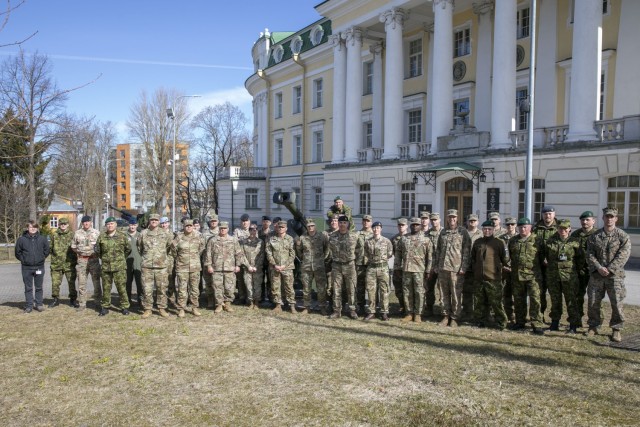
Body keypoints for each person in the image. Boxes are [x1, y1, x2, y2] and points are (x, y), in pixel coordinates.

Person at [586, 207, 631, 342]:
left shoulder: (622, 236)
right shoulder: (595, 236)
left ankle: (616, 329)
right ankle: (593, 326)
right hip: (597, 275)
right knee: (593, 302)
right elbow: (589, 254)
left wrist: (609, 269)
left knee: (617, 303)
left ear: (616, 219)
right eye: (607, 216)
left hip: (615, 276)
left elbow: (623, 255)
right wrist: (599, 268)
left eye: (612, 217)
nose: (609, 219)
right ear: (603, 218)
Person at [204, 221, 254, 313]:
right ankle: (218, 304)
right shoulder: (213, 240)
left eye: (225, 228)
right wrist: (209, 266)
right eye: (221, 228)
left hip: (230, 268)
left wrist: (237, 265)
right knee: (217, 287)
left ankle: (227, 304)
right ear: (219, 229)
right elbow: (208, 254)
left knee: (229, 287)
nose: (223, 230)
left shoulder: (233, 240)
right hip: (216, 268)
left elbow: (238, 253)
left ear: (228, 229)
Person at [507, 218, 545, 335]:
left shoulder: (537, 240)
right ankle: (520, 322)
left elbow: (542, 257)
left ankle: (536, 323)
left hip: (533, 276)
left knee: (535, 300)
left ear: (530, 227)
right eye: (521, 227)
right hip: (517, 275)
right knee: (519, 300)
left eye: (525, 227)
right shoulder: (513, 240)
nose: (523, 229)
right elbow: (510, 257)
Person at [434, 209, 471, 327]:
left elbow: (466, 251)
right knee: (443, 294)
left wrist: (463, 267)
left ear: (457, 218)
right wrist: (437, 265)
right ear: (447, 218)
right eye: (450, 217)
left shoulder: (463, 232)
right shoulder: (443, 232)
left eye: (454, 217)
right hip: (443, 268)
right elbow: (438, 250)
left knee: (456, 294)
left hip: (456, 269)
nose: (452, 219)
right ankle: (445, 316)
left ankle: (454, 317)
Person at [544, 219, 581, 333]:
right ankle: (555, 322)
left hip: (569, 276)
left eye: (565, 228)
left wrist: (575, 270)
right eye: (560, 228)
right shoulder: (550, 242)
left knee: (571, 300)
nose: (563, 230)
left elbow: (580, 259)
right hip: (553, 275)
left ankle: (573, 325)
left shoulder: (575, 242)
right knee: (555, 300)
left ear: (569, 229)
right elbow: (545, 256)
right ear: (557, 229)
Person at [470, 220, 508, 330]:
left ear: (493, 230)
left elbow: (505, 258)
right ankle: (480, 321)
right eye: (485, 229)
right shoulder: (478, 242)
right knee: (479, 301)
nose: (487, 231)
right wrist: (475, 269)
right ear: (482, 230)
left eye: (489, 229)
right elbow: (473, 258)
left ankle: (501, 322)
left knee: (496, 302)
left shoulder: (499, 242)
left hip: (493, 278)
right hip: (479, 277)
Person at [138, 214, 172, 318]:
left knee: (161, 288)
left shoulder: (165, 233)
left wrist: (160, 257)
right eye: (152, 220)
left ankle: (162, 308)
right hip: (147, 266)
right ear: (149, 221)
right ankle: (148, 309)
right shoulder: (143, 233)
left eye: (156, 220)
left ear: (158, 221)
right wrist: (148, 257)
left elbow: (169, 247)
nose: (154, 221)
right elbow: (140, 248)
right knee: (147, 289)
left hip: (161, 266)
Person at [398, 218, 433, 323]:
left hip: (419, 270)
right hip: (406, 269)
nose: (415, 226)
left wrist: (428, 270)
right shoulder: (404, 239)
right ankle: (409, 313)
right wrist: (397, 268)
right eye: (413, 225)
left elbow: (430, 257)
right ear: (410, 226)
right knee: (407, 292)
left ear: (420, 226)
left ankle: (418, 314)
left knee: (419, 292)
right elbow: (398, 255)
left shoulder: (426, 239)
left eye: (417, 225)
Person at [95, 217, 131, 316]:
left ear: (115, 225)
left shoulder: (122, 236)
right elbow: (98, 251)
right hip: (106, 267)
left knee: (121, 287)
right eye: (108, 224)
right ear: (106, 226)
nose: (110, 225)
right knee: (106, 288)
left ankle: (124, 307)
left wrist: (120, 259)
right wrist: (106, 259)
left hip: (119, 267)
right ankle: (105, 307)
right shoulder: (101, 237)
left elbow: (128, 250)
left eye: (112, 223)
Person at [328, 215, 360, 319]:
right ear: (338, 224)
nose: (342, 224)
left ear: (348, 224)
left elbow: (359, 249)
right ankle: (337, 311)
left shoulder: (354, 236)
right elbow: (328, 250)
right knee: (336, 289)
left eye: (344, 223)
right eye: (340, 222)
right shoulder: (332, 236)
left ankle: (352, 310)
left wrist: (354, 260)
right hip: (337, 265)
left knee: (351, 289)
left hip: (349, 265)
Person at [171, 219, 205, 317]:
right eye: (187, 226)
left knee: (194, 289)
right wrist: (180, 259)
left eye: (190, 226)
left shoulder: (198, 237)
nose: (189, 227)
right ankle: (181, 308)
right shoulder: (179, 237)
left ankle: (194, 307)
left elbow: (201, 249)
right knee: (182, 289)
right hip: (182, 267)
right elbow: (173, 250)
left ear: (193, 226)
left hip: (195, 267)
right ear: (184, 227)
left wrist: (194, 258)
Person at [295, 218, 329, 314]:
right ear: (306, 227)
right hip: (306, 266)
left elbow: (327, 248)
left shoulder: (321, 236)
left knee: (321, 288)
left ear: (315, 226)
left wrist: (323, 258)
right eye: (309, 226)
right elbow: (299, 251)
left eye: (312, 226)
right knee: (306, 288)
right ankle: (307, 307)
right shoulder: (302, 238)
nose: (310, 228)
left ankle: (322, 306)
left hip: (319, 266)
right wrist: (305, 259)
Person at [15, 220, 50, 313]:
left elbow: (47, 250)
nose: (33, 228)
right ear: (27, 228)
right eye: (31, 227)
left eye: (34, 227)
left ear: (37, 228)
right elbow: (17, 253)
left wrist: (42, 258)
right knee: (28, 288)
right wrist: (24, 260)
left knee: (39, 287)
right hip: (27, 268)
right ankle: (29, 305)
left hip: (39, 267)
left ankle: (39, 304)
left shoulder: (42, 239)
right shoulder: (21, 239)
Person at [571, 210, 598, 325]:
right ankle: (577, 320)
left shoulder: (598, 234)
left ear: (593, 221)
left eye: (587, 220)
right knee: (577, 296)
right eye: (582, 220)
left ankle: (595, 322)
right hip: (579, 271)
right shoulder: (575, 235)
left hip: (594, 271)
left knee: (595, 298)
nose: (585, 222)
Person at [71, 215, 101, 311]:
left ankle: (97, 302)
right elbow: (73, 246)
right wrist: (79, 253)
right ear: (82, 223)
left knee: (96, 282)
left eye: (88, 222)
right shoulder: (77, 233)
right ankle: (82, 304)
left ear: (91, 222)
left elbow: (101, 246)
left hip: (94, 260)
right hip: (82, 260)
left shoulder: (97, 233)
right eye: (84, 222)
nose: (86, 223)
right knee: (81, 283)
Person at [364, 221, 394, 321]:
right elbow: (366, 253)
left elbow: (390, 253)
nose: (376, 229)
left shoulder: (386, 241)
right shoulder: (368, 241)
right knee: (371, 291)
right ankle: (371, 312)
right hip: (372, 268)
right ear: (372, 229)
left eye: (378, 228)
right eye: (374, 228)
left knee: (384, 290)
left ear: (381, 229)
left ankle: (384, 312)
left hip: (383, 268)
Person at [533, 205, 558, 321]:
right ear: (542, 215)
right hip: (539, 266)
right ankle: (540, 315)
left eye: (550, 213)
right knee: (540, 292)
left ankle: (555, 319)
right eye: (545, 214)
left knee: (554, 293)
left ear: (554, 215)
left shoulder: (559, 227)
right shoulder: (536, 228)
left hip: (553, 267)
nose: (547, 216)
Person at [266, 220, 296, 313]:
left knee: (289, 286)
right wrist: (274, 264)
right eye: (279, 227)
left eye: (282, 227)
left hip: (287, 267)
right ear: (277, 228)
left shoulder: (290, 239)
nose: (281, 229)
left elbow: (292, 254)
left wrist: (284, 265)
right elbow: (268, 252)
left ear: (286, 228)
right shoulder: (271, 238)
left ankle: (291, 305)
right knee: (275, 287)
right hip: (275, 267)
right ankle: (278, 305)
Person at [48, 217, 77, 308]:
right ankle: (55, 299)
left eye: (65, 224)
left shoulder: (73, 235)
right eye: (61, 224)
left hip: (69, 264)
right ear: (59, 225)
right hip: (56, 264)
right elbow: (50, 248)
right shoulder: (54, 235)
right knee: (55, 283)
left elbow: (76, 247)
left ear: (68, 224)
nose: (63, 225)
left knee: (71, 283)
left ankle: (73, 300)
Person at [461, 214, 482, 320]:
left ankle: (478, 312)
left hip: (477, 267)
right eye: (470, 221)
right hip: (465, 266)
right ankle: (467, 311)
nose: (472, 222)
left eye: (474, 221)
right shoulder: (462, 233)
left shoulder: (482, 234)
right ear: (467, 222)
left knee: (478, 291)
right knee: (466, 290)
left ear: (478, 222)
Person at [498, 217, 518, 323]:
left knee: (517, 294)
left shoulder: (519, 238)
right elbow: (497, 255)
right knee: (506, 293)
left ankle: (516, 315)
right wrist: (502, 266)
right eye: (508, 225)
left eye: (512, 224)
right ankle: (508, 314)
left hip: (516, 271)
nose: (510, 226)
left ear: (515, 225)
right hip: (504, 270)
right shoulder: (501, 239)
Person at [240, 223, 265, 309]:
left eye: (254, 230)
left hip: (257, 268)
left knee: (257, 285)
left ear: (257, 231)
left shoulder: (260, 242)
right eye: (251, 229)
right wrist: (248, 266)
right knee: (248, 285)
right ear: (249, 231)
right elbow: (242, 255)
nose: (253, 231)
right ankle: (250, 302)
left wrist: (256, 266)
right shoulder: (244, 242)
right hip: (247, 268)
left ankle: (257, 302)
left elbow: (262, 255)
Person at [424, 212, 442, 317]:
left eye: (436, 219)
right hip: (430, 266)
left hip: (442, 265)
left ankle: (442, 309)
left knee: (442, 289)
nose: (434, 222)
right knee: (429, 288)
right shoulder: (427, 234)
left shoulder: (444, 233)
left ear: (439, 220)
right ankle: (429, 308)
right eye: (432, 220)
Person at [355, 214, 373, 313]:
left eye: (368, 221)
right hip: (360, 263)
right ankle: (360, 306)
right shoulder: (357, 234)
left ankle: (372, 308)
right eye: (364, 221)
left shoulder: (374, 233)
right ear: (362, 222)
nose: (366, 222)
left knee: (371, 287)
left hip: (371, 264)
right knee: (360, 286)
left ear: (371, 222)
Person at [201, 214, 220, 309]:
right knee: (208, 282)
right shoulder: (205, 234)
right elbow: (201, 248)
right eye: (212, 221)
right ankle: (210, 300)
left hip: (218, 262)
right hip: (207, 261)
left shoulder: (221, 232)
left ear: (218, 222)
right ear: (209, 222)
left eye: (215, 221)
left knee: (218, 282)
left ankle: (219, 301)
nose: (213, 222)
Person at [391, 218, 408, 314]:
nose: (401, 227)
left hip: (408, 267)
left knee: (408, 288)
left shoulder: (410, 237)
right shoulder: (394, 239)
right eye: (399, 225)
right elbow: (392, 252)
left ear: (407, 226)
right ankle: (402, 305)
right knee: (398, 289)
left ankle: (408, 307)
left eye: (403, 225)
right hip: (397, 267)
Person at [234, 213, 251, 304]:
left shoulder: (252, 230)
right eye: (243, 221)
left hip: (249, 258)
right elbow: (235, 242)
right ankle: (241, 296)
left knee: (248, 279)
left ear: (249, 221)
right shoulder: (237, 231)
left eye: (246, 221)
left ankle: (249, 297)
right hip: (240, 257)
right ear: (241, 222)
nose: (244, 223)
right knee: (240, 278)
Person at [125, 219, 142, 307]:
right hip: (127, 261)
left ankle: (140, 301)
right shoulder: (124, 235)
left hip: (138, 261)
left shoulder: (140, 235)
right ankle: (128, 301)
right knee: (127, 282)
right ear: (128, 225)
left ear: (137, 225)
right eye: (131, 225)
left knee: (139, 282)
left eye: (134, 225)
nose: (132, 226)